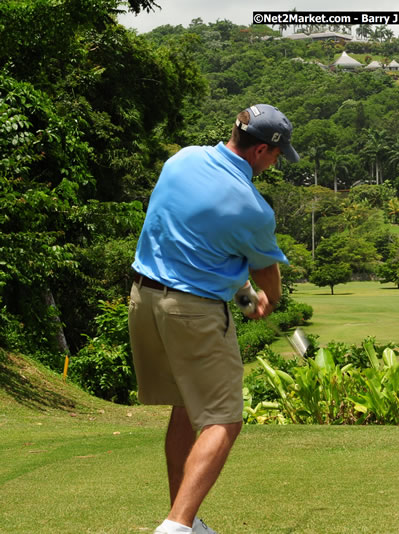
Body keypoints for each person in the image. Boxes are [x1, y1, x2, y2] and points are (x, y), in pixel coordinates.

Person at [128, 104, 299, 534]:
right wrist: (267, 300)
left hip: (145, 301)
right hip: (194, 315)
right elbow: (265, 274)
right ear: (261, 150)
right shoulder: (251, 206)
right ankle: (176, 526)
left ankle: (186, 517)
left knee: (186, 409)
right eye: (279, 154)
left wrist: (238, 292)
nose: (278, 162)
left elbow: (189, 239)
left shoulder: (182, 159)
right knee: (224, 419)